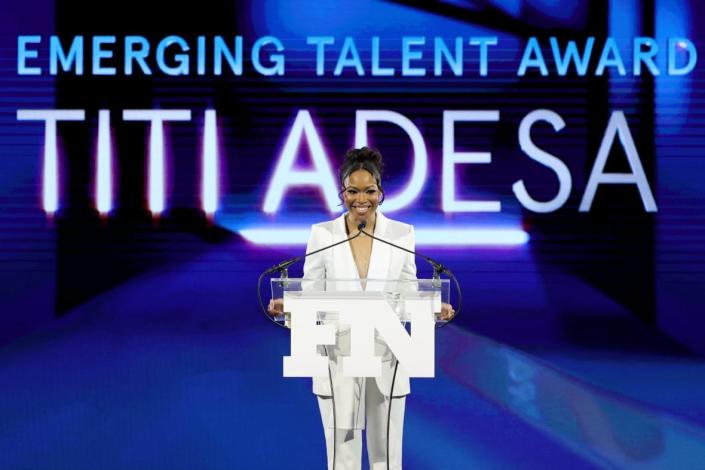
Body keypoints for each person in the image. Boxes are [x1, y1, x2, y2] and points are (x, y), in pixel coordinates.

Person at [269, 147, 454, 470]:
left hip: (387, 356)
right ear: (342, 193)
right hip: (337, 358)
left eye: (369, 190)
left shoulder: (401, 234)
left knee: (386, 455)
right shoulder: (323, 235)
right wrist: (291, 308)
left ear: (380, 192)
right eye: (353, 191)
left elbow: (407, 290)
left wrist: (432, 308)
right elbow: (311, 291)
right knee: (343, 457)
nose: (361, 199)